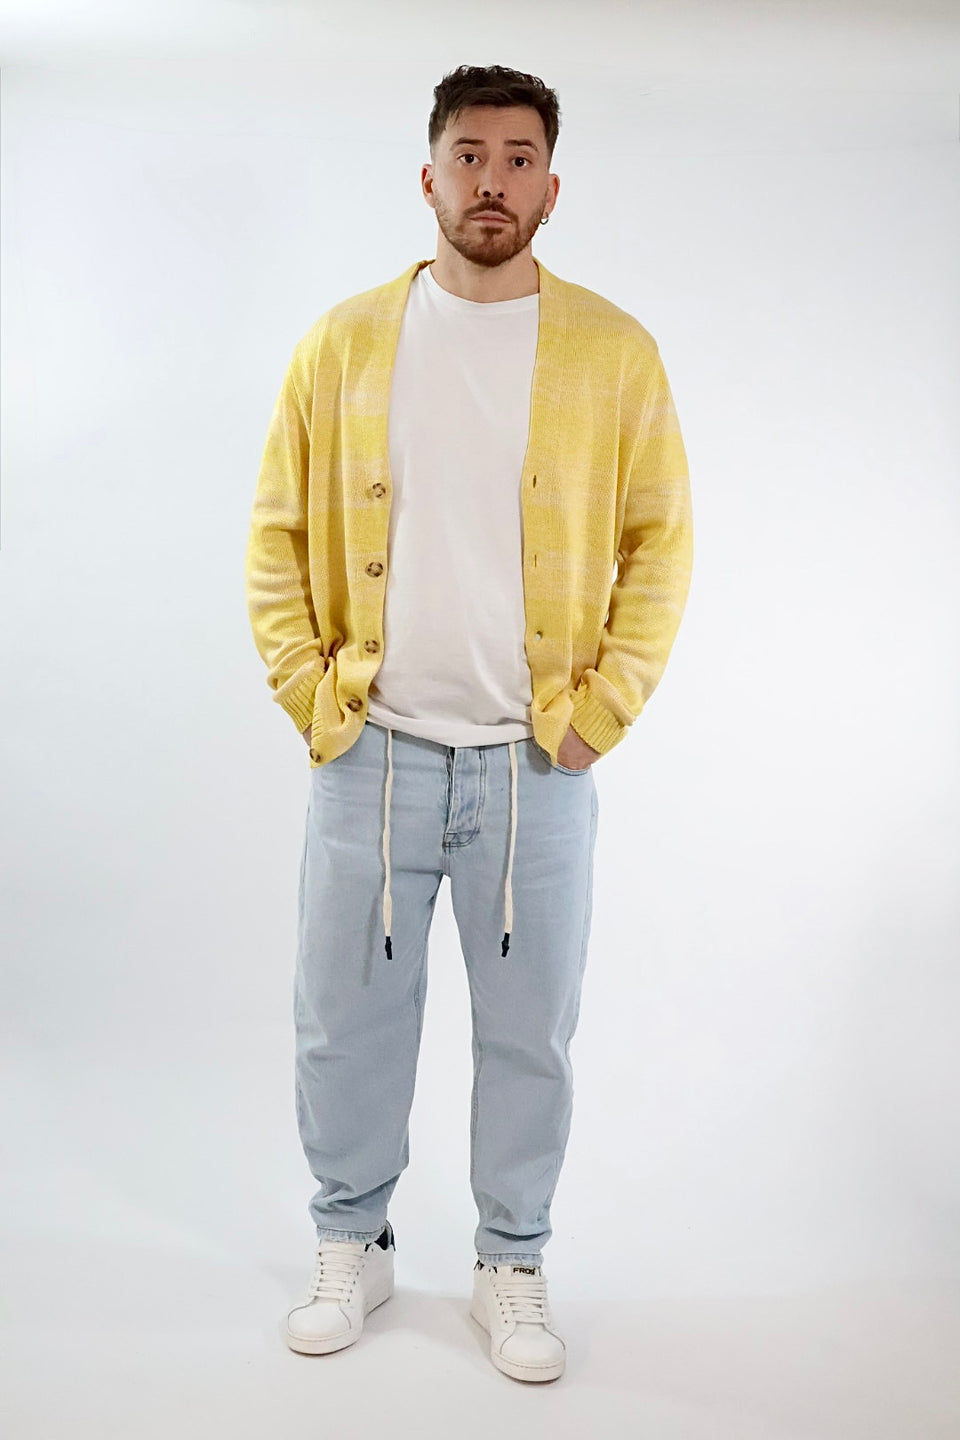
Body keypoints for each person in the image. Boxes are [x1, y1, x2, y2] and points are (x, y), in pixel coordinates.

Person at [245, 62, 693, 1384]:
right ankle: (353, 1240)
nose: (491, 181)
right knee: (345, 1019)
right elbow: (275, 535)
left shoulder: (614, 353)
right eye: (468, 155)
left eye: (517, 158)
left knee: (529, 1030)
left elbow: (660, 547)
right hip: (370, 753)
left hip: (534, 763)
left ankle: (511, 1258)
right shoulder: (343, 344)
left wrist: (600, 713)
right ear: (429, 175)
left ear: (551, 187)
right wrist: (312, 693)